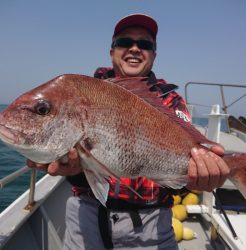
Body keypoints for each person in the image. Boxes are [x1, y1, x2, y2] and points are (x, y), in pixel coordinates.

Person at [27, 14, 230, 250]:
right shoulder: (85, 92)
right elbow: (85, 162)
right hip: (85, 222)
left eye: (145, 44)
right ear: (111, 50)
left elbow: (181, 172)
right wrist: (72, 171)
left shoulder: (170, 101)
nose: (134, 49)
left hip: (151, 227)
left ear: (154, 54)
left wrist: (201, 178)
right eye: (124, 42)